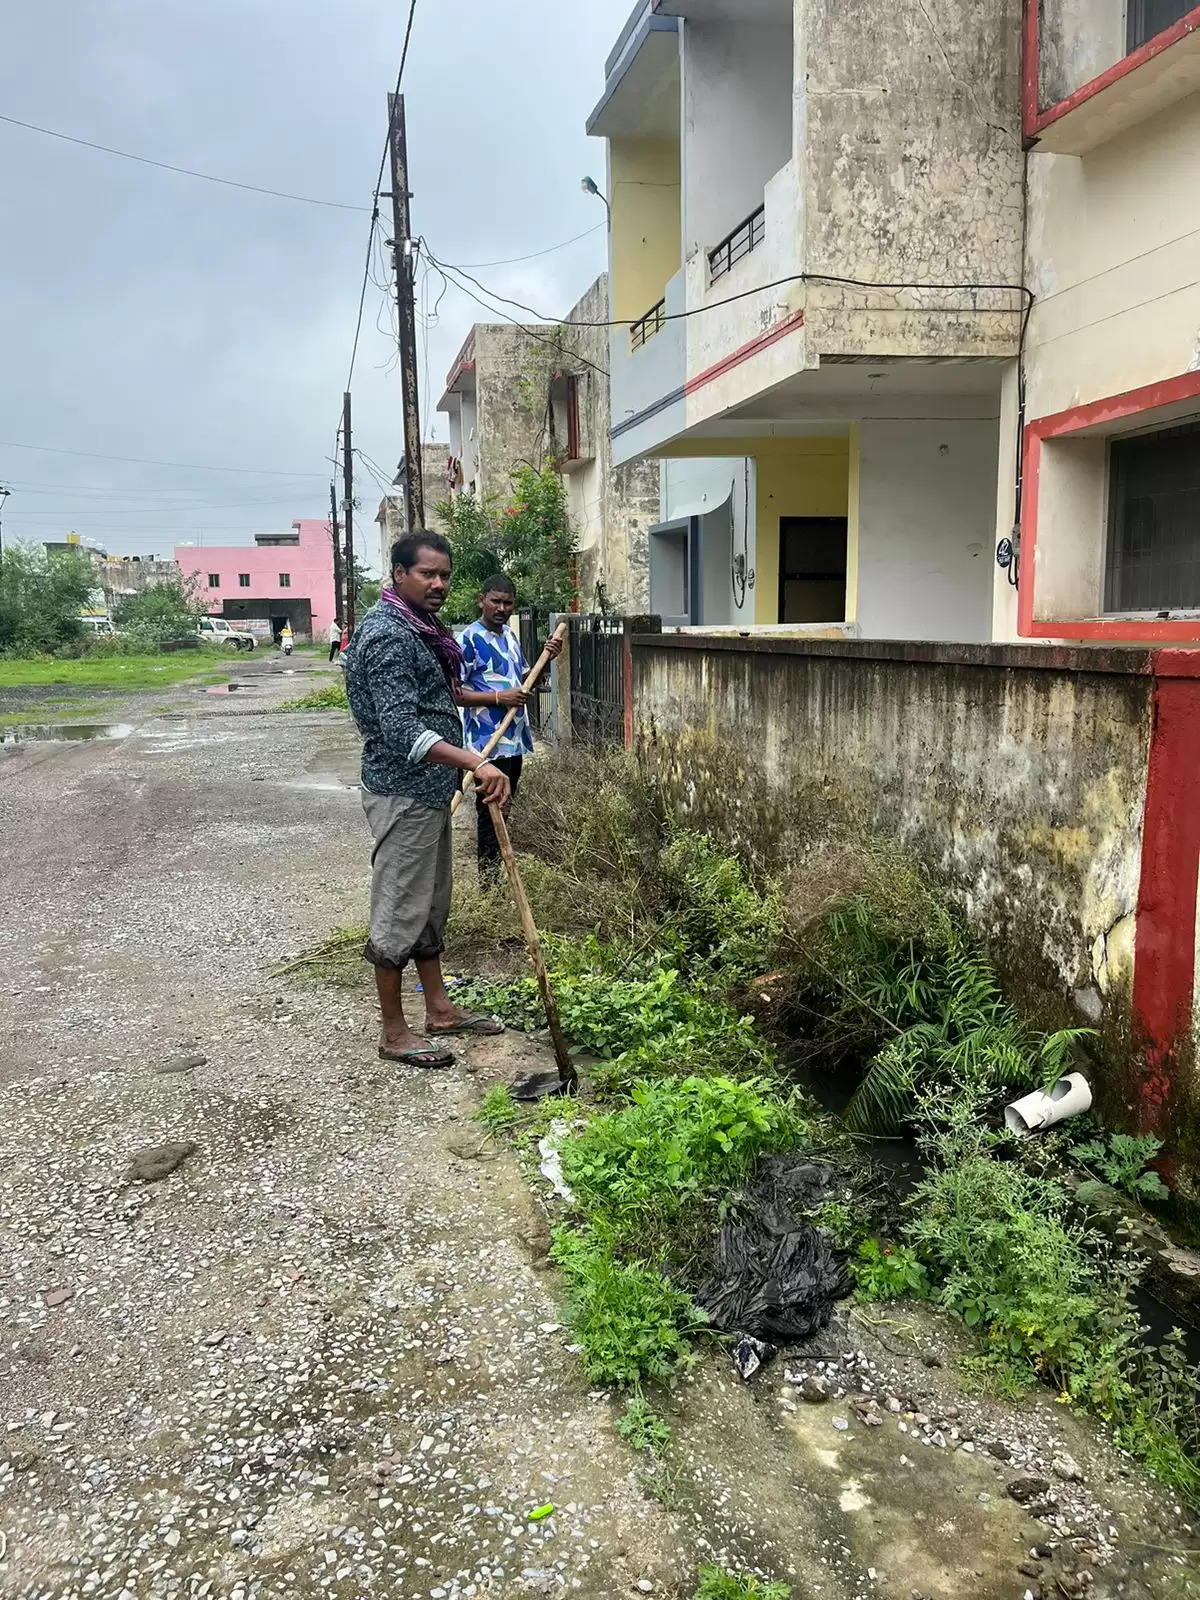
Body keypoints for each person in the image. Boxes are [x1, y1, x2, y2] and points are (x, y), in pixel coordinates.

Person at [343, 532, 511, 1069]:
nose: (438, 584)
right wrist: (474, 761)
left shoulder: (423, 629)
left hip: (430, 794)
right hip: (403, 793)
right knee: (399, 907)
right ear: (398, 573)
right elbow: (401, 731)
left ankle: (438, 1009)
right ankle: (394, 1032)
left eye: (445, 575)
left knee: (431, 905)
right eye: (427, 574)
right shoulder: (389, 635)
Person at [458, 574, 562, 878]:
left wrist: (548, 659)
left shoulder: (510, 637)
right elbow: (455, 692)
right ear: (481, 600)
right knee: (489, 815)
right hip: (486, 743)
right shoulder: (468, 639)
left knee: (505, 810)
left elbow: (529, 683)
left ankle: (501, 879)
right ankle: (489, 886)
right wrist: (498, 697)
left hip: (514, 739)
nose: (501, 608)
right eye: (495, 601)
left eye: (508, 603)